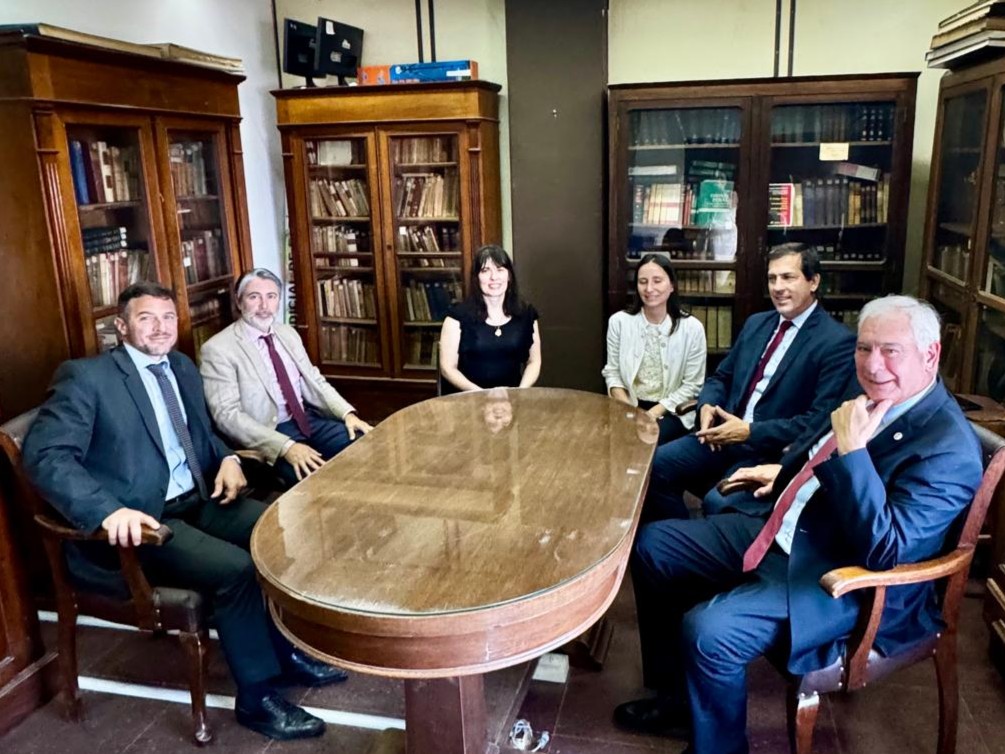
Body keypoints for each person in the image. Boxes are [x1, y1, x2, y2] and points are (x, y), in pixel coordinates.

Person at [614, 295, 983, 754]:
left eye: (890, 350)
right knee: (654, 545)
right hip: (791, 530)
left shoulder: (948, 448)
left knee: (709, 631)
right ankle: (679, 700)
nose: (872, 364)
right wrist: (783, 473)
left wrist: (854, 454)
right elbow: (812, 451)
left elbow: (886, 550)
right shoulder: (875, 396)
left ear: (931, 354)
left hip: (843, 579)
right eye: (864, 348)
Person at [22, 282, 347, 741]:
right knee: (236, 570)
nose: (160, 328)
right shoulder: (87, 378)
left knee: (280, 531)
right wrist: (108, 511)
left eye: (168, 318)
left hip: (197, 499)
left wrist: (229, 459)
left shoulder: (180, 366)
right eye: (146, 318)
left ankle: (285, 653)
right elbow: (46, 455)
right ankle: (257, 699)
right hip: (145, 522)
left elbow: (202, 435)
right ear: (121, 327)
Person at [642, 242, 857, 521]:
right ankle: (680, 540)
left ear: (813, 281)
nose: (778, 287)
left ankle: (702, 545)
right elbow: (721, 377)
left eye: (788, 277)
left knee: (718, 501)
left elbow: (816, 424)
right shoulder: (757, 323)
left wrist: (748, 432)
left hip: (769, 450)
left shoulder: (836, 342)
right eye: (772, 278)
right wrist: (706, 406)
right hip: (720, 436)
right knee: (655, 466)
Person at [200, 268, 372, 487]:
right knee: (319, 482)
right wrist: (285, 446)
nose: (264, 306)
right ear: (239, 301)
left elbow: (314, 380)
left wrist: (347, 414)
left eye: (271, 297)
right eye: (254, 297)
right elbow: (227, 416)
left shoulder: (287, 333)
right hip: (269, 432)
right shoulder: (218, 349)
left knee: (367, 447)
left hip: (306, 419)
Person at [602, 253, 706, 445]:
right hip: (629, 406)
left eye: (657, 281)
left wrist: (652, 413)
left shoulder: (692, 328)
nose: (649, 289)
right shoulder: (619, 322)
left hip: (672, 411)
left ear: (672, 285)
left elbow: (692, 385)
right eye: (643, 282)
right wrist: (631, 412)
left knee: (643, 442)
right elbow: (612, 373)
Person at [439, 245, 542, 393]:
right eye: (485, 271)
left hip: (513, 400)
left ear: (509, 276)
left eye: (500, 270)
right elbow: (448, 368)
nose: (494, 277)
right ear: (476, 278)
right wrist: (483, 395)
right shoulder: (457, 318)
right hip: (469, 400)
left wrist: (520, 392)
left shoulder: (526, 314)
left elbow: (534, 361)